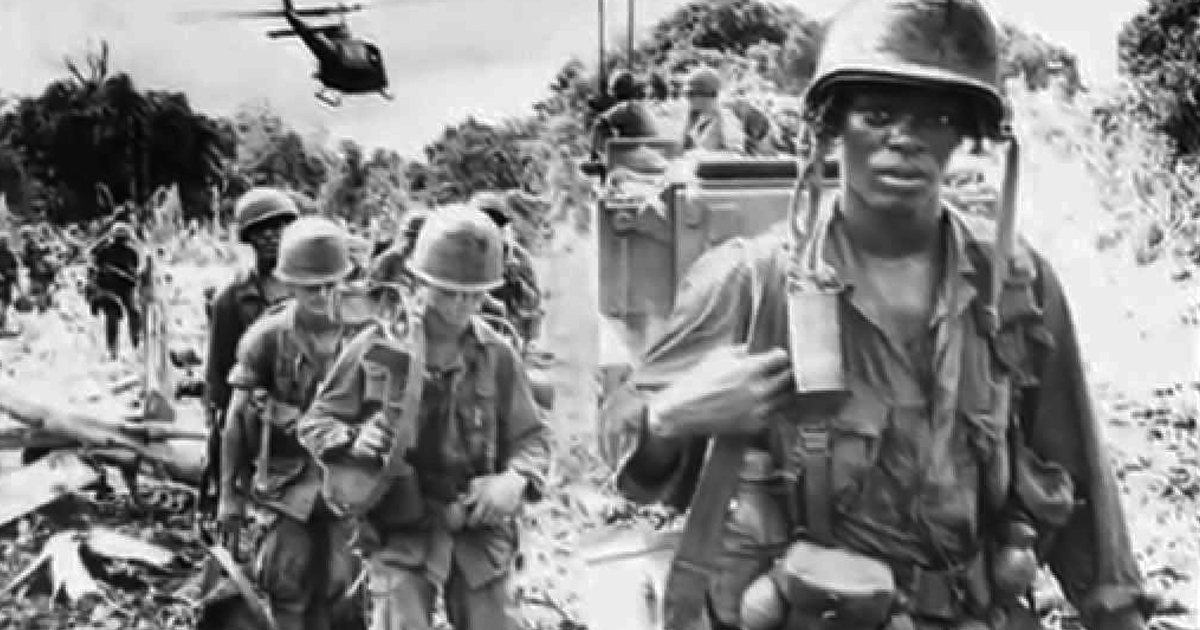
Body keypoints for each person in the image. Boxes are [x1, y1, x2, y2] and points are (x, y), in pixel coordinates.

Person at [598, 2, 1150, 630]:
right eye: (878, 115)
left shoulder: (1016, 286)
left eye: (936, 118)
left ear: (965, 134)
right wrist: (671, 416)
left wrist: (1119, 615)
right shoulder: (752, 281)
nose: (905, 139)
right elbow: (622, 447)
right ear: (835, 126)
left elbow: (1077, 475)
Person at [298, 205, 551, 630]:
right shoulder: (379, 346)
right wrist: (354, 439)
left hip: (475, 529)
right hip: (402, 526)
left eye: (474, 294)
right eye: (448, 292)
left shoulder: (497, 354)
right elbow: (316, 423)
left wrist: (515, 480)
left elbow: (533, 438)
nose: (461, 305)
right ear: (421, 281)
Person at [217, 216, 365, 630]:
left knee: (345, 584)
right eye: (311, 287)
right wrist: (229, 495)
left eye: (332, 285)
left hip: (348, 478)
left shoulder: (367, 336)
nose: (324, 296)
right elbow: (235, 418)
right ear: (289, 285)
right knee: (285, 577)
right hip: (285, 483)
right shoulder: (266, 338)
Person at [200, 187, 299, 520]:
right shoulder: (232, 299)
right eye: (261, 230)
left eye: (279, 227)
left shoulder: (310, 288)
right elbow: (219, 373)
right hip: (253, 410)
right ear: (249, 238)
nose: (271, 236)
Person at [88, 222, 144, 360]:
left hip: (125, 287)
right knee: (113, 315)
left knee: (133, 312)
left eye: (122, 238)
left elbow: (134, 270)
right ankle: (113, 348)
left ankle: (136, 341)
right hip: (109, 288)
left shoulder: (131, 252)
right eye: (118, 238)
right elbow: (93, 263)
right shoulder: (104, 251)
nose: (120, 241)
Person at [590, 70, 660, 159]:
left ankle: (598, 158)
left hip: (634, 157)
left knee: (600, 126)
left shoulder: (625, 107)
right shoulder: (644, 107)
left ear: (615, 92)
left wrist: (594, 154)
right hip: (652, 156)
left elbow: (598, 124)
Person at [680, 67, 745, 153]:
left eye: (690, 94)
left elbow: (737, 152)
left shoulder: (726, 118)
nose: (688, 99)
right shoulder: (699, 119)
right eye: (687, 95)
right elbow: (683, 150)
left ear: (707, 94)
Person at [0, 232, 19, 331]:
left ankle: (2, 323)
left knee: (6, 302)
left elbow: (15, 267)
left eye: (5, 241)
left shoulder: (10, 254)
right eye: (2, 241)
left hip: (7, 282)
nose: (4, 243)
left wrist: (16, 282)